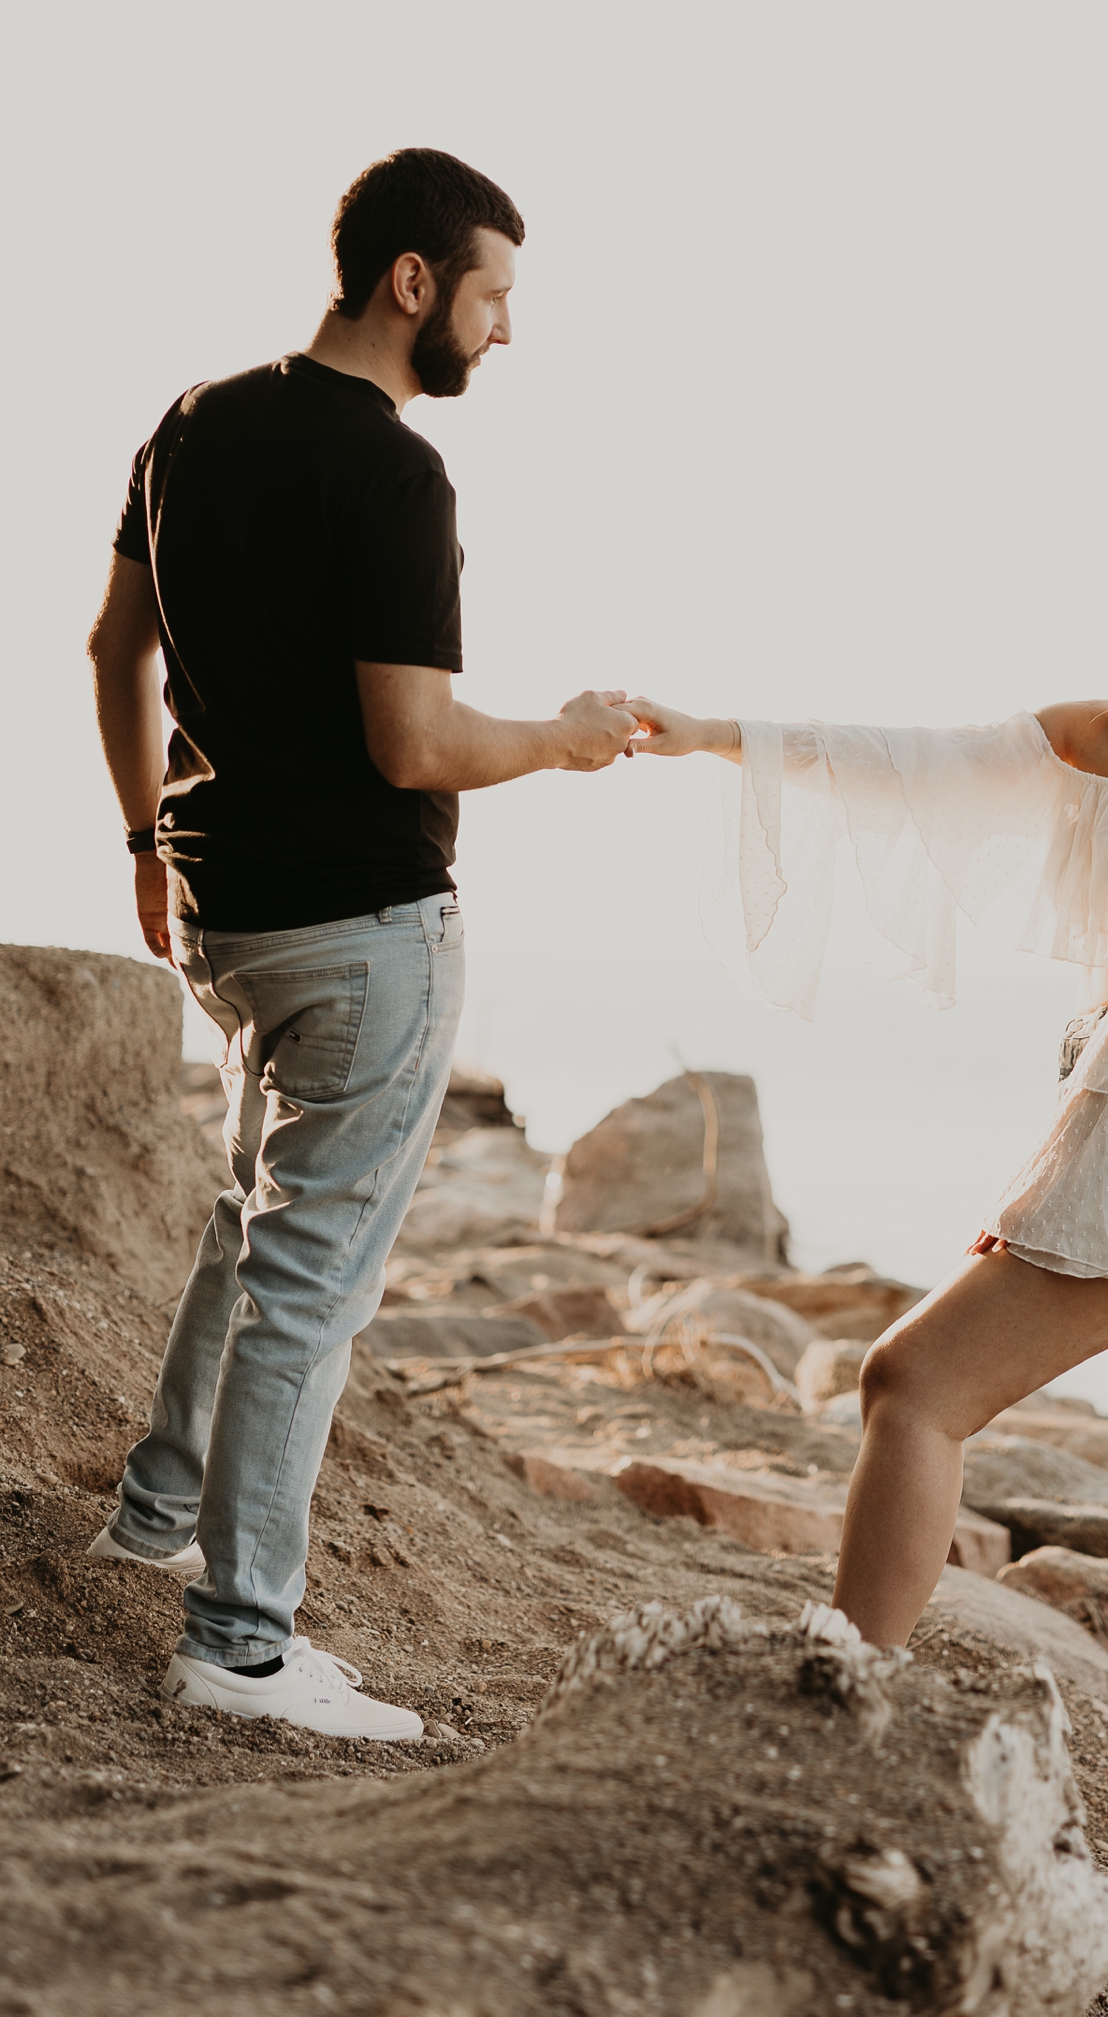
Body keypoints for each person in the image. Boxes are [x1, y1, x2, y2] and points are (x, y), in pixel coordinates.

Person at [625, 466, 1108, 1951]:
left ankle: (839, 1733)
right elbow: (912, 762)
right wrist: (714, 735)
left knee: (910, 1385)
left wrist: (1065, 1180)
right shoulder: (1103, 732)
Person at [86, 146, 637, 1742]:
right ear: (416, 284)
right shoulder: (397, 474)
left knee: (246, 1226)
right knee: (309, 1278)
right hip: (362, 925)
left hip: (225, 910)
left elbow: (114, 646)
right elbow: (414, 742)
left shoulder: (192, 421)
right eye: (495, 295)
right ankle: (242, 1642)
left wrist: (143, 833)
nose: (507, 331)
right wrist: (566, 735)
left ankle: (148, 1515)